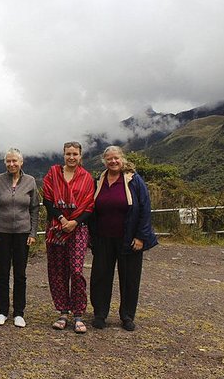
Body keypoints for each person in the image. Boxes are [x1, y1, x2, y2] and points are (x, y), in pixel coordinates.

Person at [89, 146, 158, 331]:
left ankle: (127, 316)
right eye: (109, 159)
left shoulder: (134, 181)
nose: (113, 162)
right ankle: (100, 314)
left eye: (116, 158)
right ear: (104, 161)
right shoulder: (99, 180)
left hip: (128, 238)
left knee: (129, 278)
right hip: (103, 238)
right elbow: (92, 209)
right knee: (100, 277)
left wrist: (141, 237)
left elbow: (144, 209)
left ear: (122, 159)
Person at [43, 141, 95, 333]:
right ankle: (63, 311)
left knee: (76, 270)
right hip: (57, 227)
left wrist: (75, 222)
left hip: (78, 229)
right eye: (68, 154)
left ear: (80, 156)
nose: (71, 157)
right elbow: (47, 199)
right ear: (63, 155)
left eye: (75, 154)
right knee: (57, 270)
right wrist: (62, 219)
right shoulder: (53, 174)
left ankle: (78, 313)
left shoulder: (87, 178)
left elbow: (89, 205)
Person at [0, 148, 39, 328]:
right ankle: (2, 311)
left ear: (21, 162)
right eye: (8, 161)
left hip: (22, 233)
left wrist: (33, 233)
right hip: (1, 233)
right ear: (5, 163)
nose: (11, 164)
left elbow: (34, 209)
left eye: (15, 161)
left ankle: (19, 312)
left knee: (20, 274)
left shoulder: (30, 181)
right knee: (2, 273)